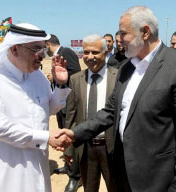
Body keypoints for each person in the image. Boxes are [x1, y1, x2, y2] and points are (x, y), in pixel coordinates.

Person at [56, 6, 176, 192]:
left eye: (123, 33)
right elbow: (111, 111)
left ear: (145, 32)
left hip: (158, 180)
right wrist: (75, 133)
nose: (119, 40)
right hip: (123, 175)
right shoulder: (127, 67)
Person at [0, 23, 72, 192]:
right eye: (35, 49)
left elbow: (47, 109)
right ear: (14, 49)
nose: (41, 55)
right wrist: (45, 137)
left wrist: (60, 86)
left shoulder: (37, 76)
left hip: (36, 166)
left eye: (43, 50)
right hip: (4, 171)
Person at [64, 34, 117, 192]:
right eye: (86, 52)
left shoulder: (119, 76)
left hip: (111, 149)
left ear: (106, 52)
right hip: (85, 148)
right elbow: (71, 115)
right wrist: (68, 148)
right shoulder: (75, 79)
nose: (89, 57)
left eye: (95, 52)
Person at [46, 34, 81, 192]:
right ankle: (68, 168)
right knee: (63, 137)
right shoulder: (58, 55)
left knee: (70, 138)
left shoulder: (66, 52)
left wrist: (58, 79)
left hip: (69, 104)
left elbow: (76, 75)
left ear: (48, 44)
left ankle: (76, 176)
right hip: (61, 105)